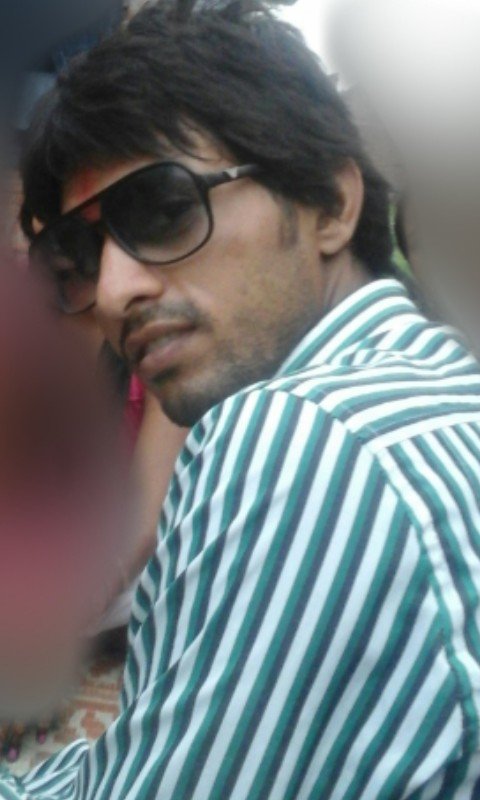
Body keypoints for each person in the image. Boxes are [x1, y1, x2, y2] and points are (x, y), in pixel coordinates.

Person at [4, 0, 480, 797]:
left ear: (331, 205)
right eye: (79, 255)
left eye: (164, 210)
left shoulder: (304, 435)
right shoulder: (429, 385)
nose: (114, 291)